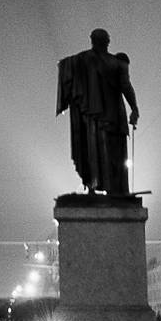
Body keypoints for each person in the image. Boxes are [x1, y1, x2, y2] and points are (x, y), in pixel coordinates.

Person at [56, 28, 140, 197]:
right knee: (114, 152)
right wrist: (134, 108)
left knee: (91, 150)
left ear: (92, 40)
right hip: (113, 116)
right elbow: (126, 86)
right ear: (108, 41)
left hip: (91, 116)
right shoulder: (117, 63)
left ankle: (92, 186)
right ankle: (115, 189)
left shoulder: (81, 60)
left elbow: (64, 68)